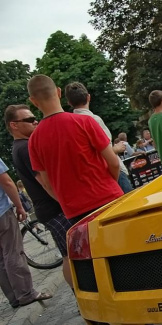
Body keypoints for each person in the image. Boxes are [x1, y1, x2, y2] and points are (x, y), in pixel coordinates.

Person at [26, 75, 123, 226]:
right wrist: (109, 184)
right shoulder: (84, 122)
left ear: (33, 101)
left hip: (75, 211)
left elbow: (47, 184)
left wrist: (67, 201)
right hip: (107, 196)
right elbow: (113, 162)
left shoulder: (33, 141)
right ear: (58, 92)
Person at [6, 104, 75, 287]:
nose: (35, 121)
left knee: (69, 254)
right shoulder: (25, 147)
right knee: (72, 255)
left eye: (34, 117)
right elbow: (44, 181)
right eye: (28, 120)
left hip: (49, 209)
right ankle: (82, 297)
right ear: (14, 125)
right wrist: (67, 203)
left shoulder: (20, 146)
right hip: (54, 208)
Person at [0, 157, 53, 308]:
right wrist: (19, 206)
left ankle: (13, 297)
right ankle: (25, 293)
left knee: (1, 259)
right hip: (2, 213)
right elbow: (7, 182)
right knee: (13, 252)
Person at [65, 82, 133, 194]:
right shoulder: (93, 119)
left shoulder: (70, 124)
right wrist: (117, 148)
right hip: (113, 172)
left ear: (69, 102)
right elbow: (104, 151)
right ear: (88, 97)